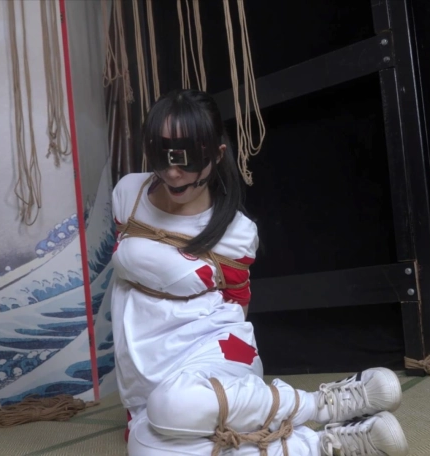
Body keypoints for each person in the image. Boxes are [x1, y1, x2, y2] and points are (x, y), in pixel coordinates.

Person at [109, 89, 410, 456]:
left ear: (216, 154)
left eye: (187, 158)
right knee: (147, 445)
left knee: (175, 406)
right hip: (145, 370)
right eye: (162, 154)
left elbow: (237, 304)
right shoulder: (128, 195)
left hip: (210, 352)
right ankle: (321, 446)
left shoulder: (236, 232)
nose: (173, 172)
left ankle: (320, 405)